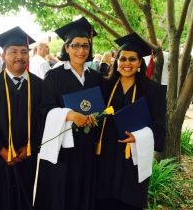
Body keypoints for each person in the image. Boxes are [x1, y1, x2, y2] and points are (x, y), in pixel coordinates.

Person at [34, 17, 102, 210]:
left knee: (84, 188)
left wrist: (96, 117)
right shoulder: (54, 75)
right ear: (67, 47)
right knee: (62, 189)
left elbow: (101, 107)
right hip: (63, 146)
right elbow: (45, 108)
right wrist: (70, 115)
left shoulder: (96, 77)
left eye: (85, 46)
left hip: (87, 144)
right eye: (76, 45)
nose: (81, 51)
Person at [96, 33, 166, 210]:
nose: (127, 63)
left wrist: (138, 137)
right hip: (105, 153)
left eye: (132, 59)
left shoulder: (153, 90)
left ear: (140, 63)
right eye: (123, 58)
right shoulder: (104, 86)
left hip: (132, 155)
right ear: (116, 61)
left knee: (128, 201)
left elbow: (159, 125)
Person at [0, 26, 42, 210]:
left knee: (24, 199)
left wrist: (31, 146)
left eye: (24, 52)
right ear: (3, 57)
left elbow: (42, 119)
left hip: (27, 155)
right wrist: (1, 149)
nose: (20, 56)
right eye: (13, 51)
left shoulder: (39, 85)